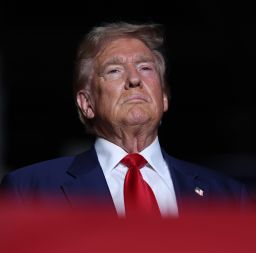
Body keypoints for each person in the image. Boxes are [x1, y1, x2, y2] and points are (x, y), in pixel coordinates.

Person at [0, 22, 249, 217]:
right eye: (114, 70)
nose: (134, 79)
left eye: (145, 68)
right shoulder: (30, 190)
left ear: (163, 98)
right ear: (87, 104)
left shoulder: (227, 196)